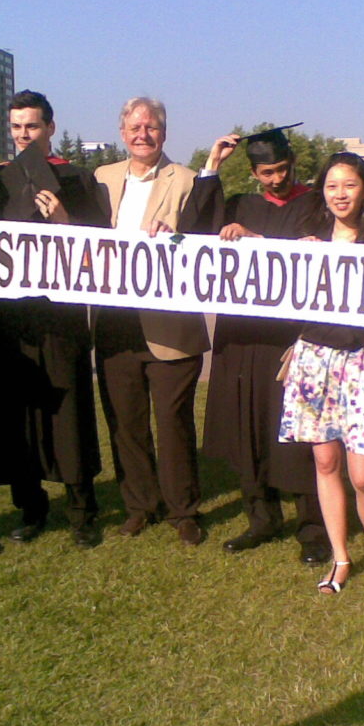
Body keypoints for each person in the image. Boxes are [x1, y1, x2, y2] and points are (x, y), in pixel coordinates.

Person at [0, 89, 108, 547]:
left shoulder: (79, 180)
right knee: (21, 415)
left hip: (63, 316)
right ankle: (29, 509)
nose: (23, 135)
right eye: (16, 127)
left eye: (32, 126)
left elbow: (103, 252)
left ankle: (82, 512)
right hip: (12, 319)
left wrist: (67, 220)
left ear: (50, 127)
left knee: (69, 415)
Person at [200, 126, 330, 565]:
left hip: (291, 336)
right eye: (266, 172)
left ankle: (312, 528)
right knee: (247, 426)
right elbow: (194, 232)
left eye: (281, 169)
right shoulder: (240, 206)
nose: (276, 179)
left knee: (297, 430)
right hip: (241, 337)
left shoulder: (314, 204)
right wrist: (213, 166)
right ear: (254, 173)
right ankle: (261, 518)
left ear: (292, 163)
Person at [278, 152, 364, 593]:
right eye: (332, 186)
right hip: (313, 358)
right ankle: (339, 556)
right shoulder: (308, 239)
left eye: (349, 185)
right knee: (325, 460)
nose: (340, 194)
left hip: (363, 360)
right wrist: (299, 258)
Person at [93, 96, 216, 546]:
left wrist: (177, 237)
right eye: (135, 127)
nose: (143, 134)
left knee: (173, 422)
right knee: (126, 422)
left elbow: (205, 235)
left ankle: (183, 509)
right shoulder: (101, 178)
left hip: (171, 325)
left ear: (164, 133)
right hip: (115, 322)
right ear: (122, 132)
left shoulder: (186, 180)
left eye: (152, 127)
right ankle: (140, 504)